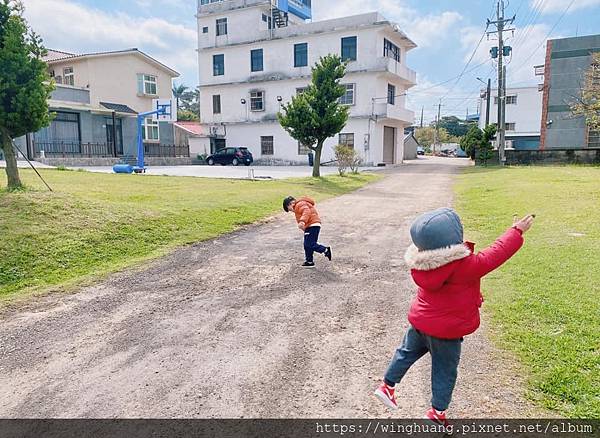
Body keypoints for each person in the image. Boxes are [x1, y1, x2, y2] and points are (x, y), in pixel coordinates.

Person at [374, 207, 535, 425]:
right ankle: (437, 413)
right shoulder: (466, 265)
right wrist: (516, 231)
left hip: (421, 323)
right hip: (446, 332)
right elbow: (496, 253)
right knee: (444, 370)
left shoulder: (422, 263)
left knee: (405, 352)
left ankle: (387, 386)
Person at [283, 196, 332, 268]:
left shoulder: (299, 204)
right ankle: (309, 261)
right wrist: (304, 228)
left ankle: (325, 250)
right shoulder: (298, 207)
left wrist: (302, 221)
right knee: (307, 244)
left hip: (312, 225)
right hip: (311, 226)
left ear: (291, 204)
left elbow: (307, 211)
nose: (291, 211)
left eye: (289, 209)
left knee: (309, 243)